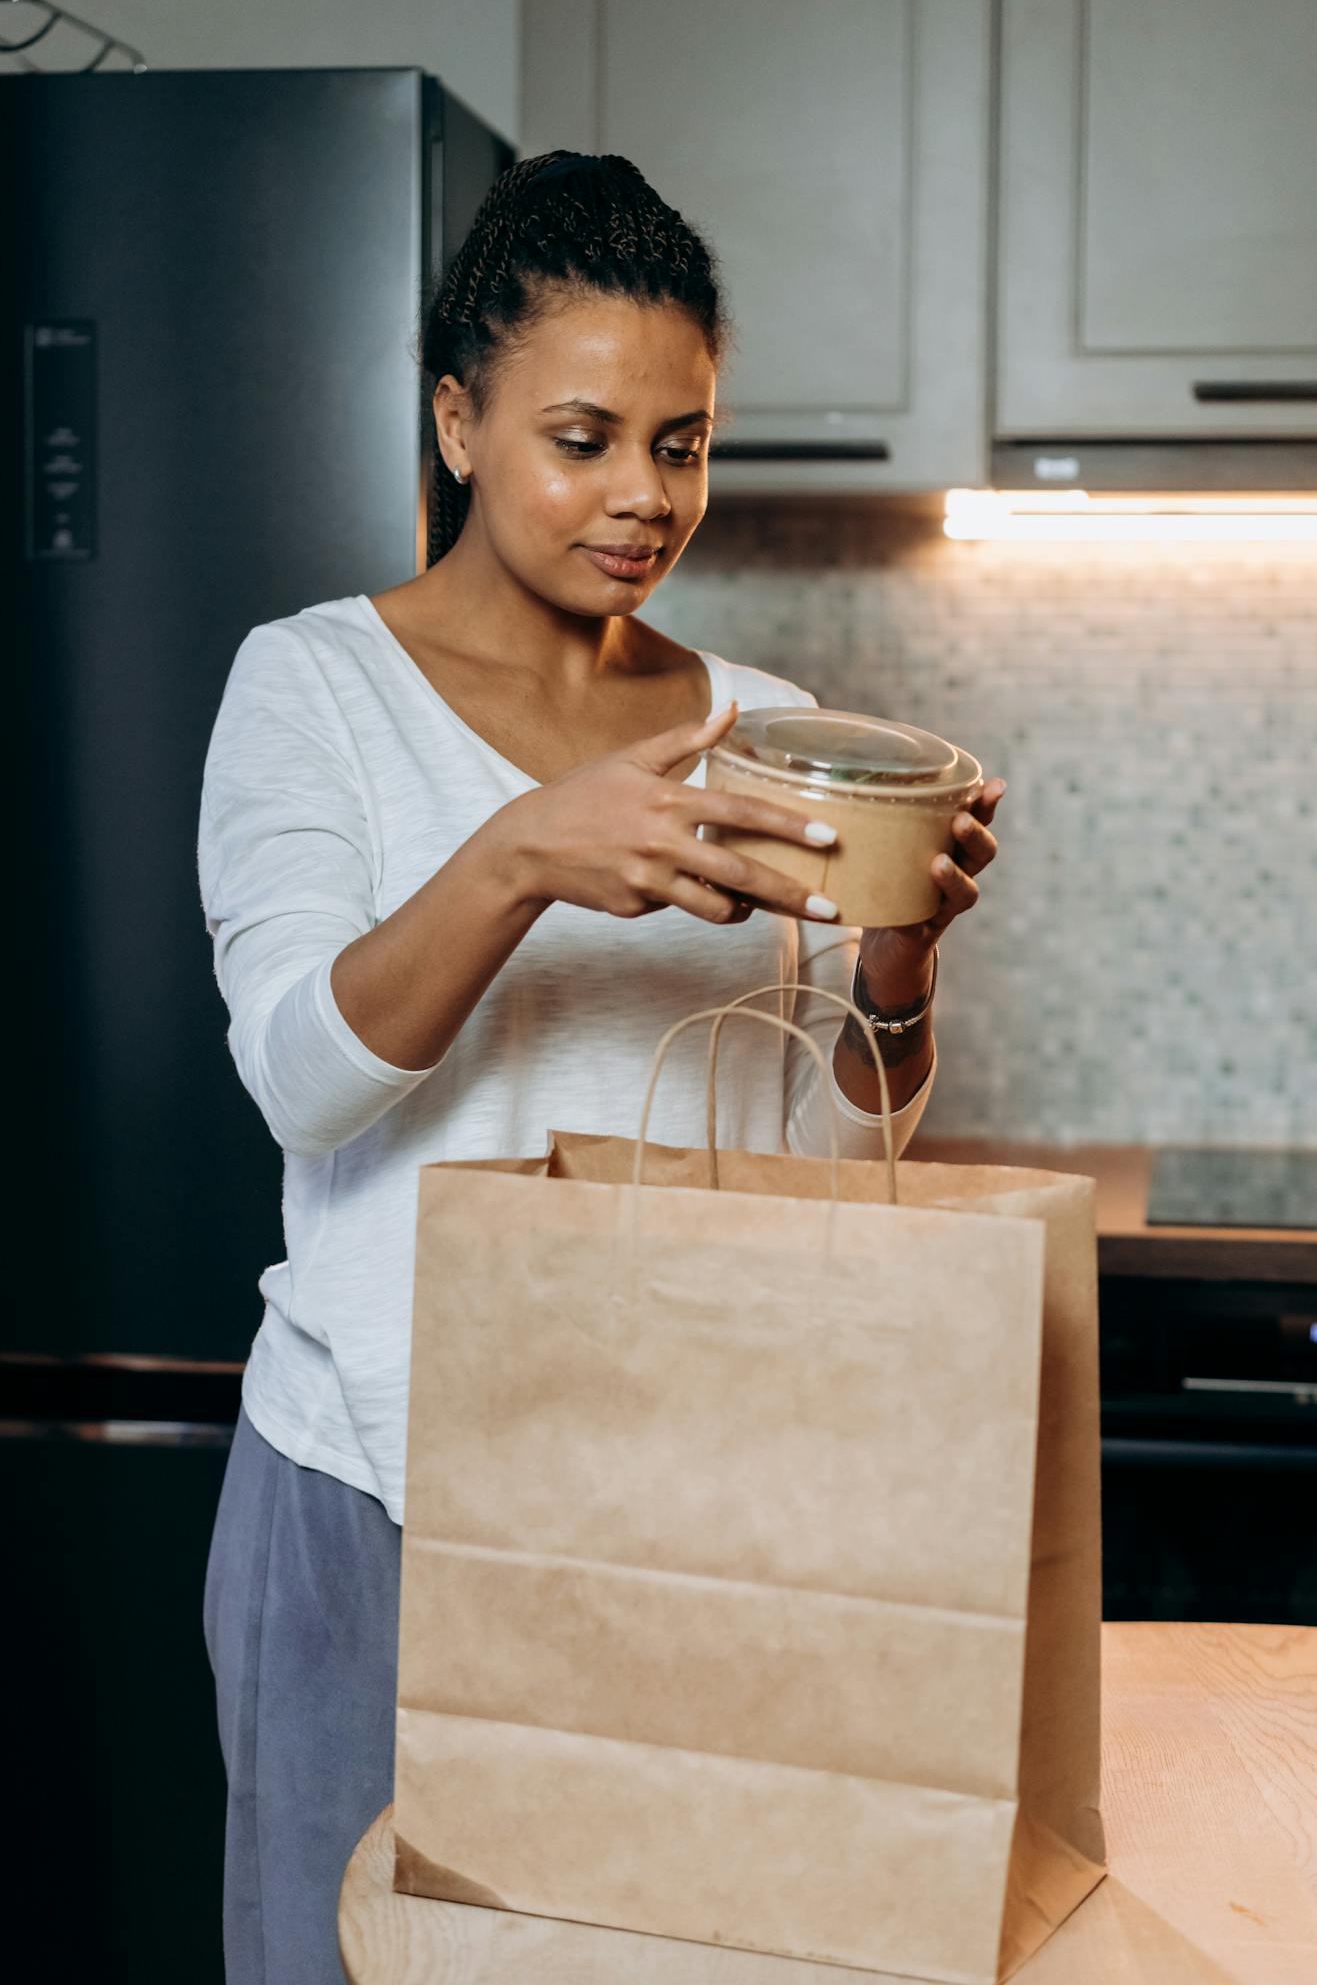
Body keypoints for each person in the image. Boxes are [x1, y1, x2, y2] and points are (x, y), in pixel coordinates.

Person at [198, 150, 1004, 1983]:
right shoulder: (311, 686)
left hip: (682, 1494)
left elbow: (823, 1165)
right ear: (457, 418)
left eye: (685, 442)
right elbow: (299, 1080)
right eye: (585, 436)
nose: (646, 497)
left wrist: (896, 958)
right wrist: (516, 858)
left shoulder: (779, 732)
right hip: (369, 1492)